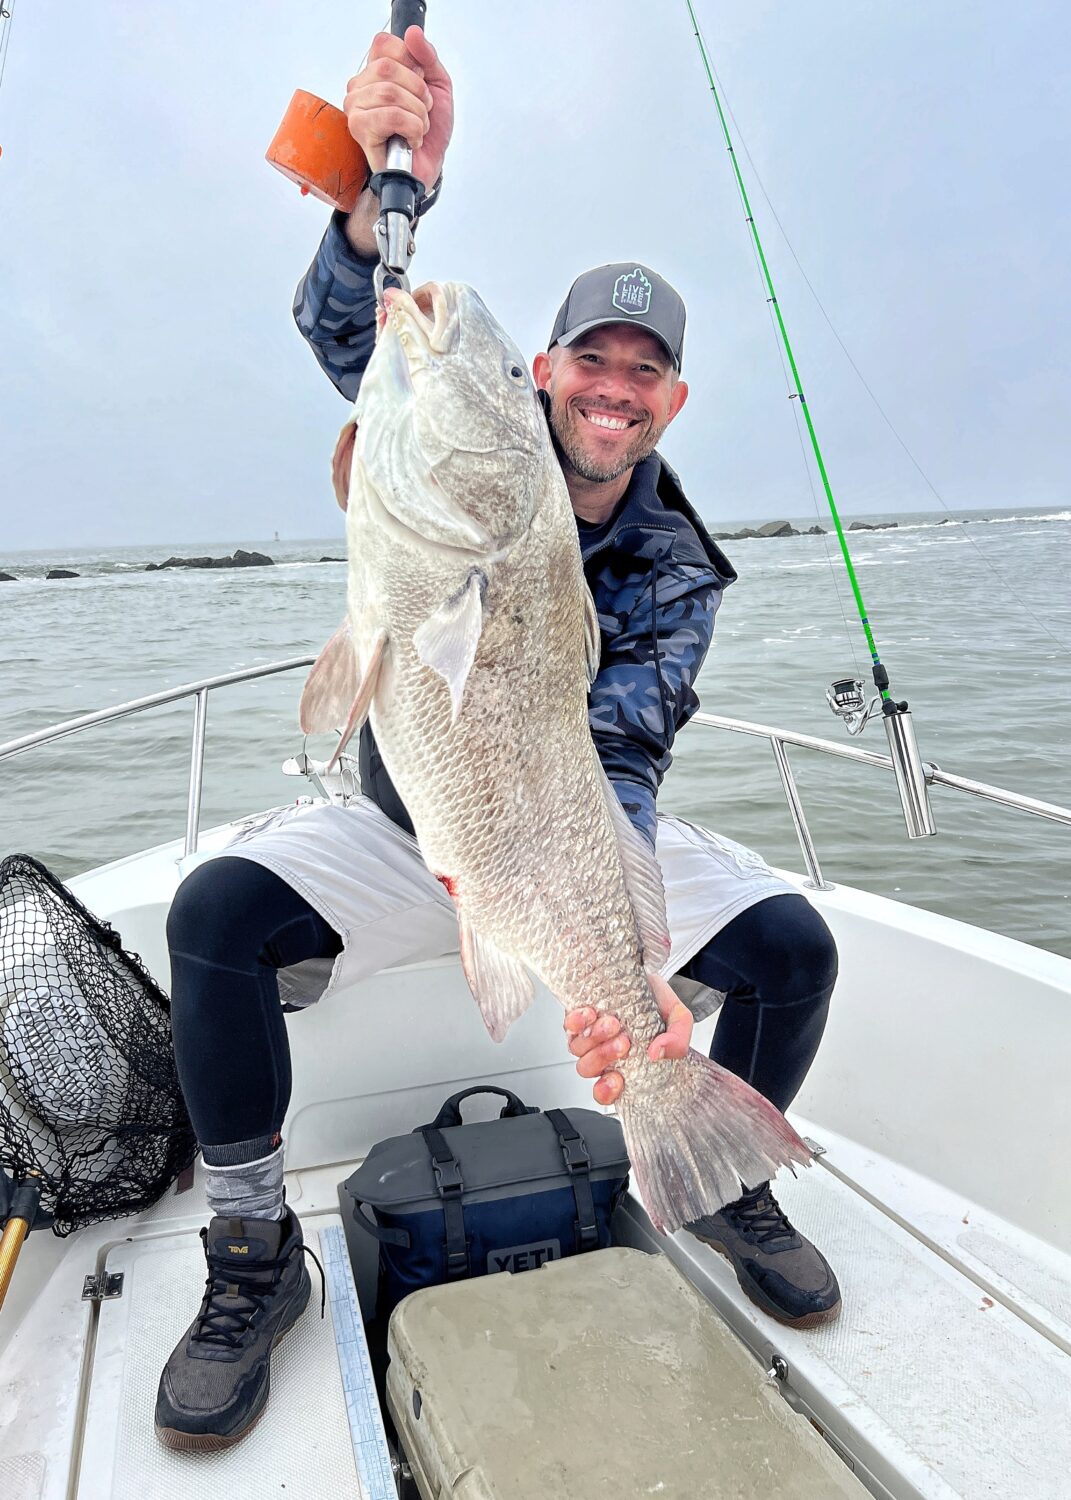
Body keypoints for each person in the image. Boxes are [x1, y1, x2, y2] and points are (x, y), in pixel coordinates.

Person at [154, 28, 841, 1453]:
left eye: (643, 372)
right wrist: (382, 203)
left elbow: (627, 761)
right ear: (546, 372)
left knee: (792, 948)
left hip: (560, 829)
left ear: (671, 402)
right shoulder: (470, 436)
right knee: (212, 913)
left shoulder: (676, 568)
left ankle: (717, 1174)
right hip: (417, 821)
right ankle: (248, 1252)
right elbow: (361, 333)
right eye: (591, 358)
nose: (613, 387)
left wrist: (621, 973)